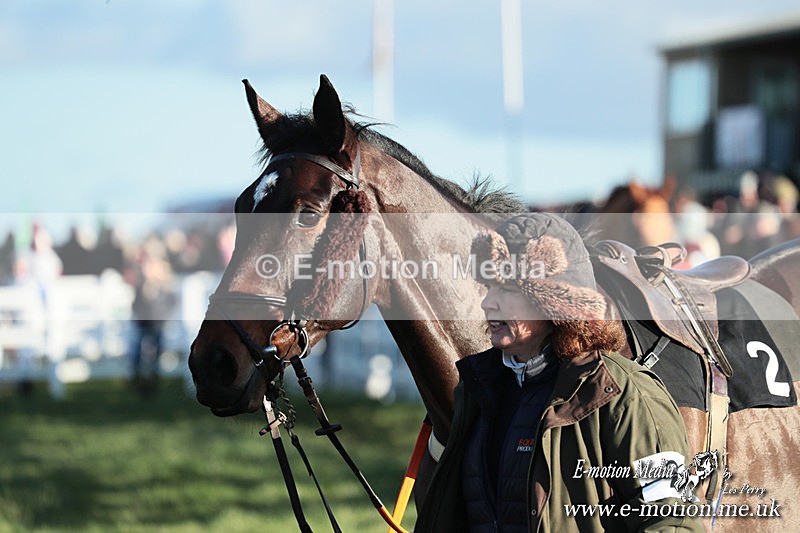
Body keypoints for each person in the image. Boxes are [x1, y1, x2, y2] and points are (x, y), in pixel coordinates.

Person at [415, 214, 701, 532]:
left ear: (554, 302)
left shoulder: (625, 394)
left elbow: (672, 520)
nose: (487, 302)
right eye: (489, 286)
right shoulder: (476, 389)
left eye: (507, 289)